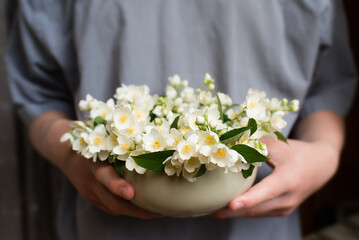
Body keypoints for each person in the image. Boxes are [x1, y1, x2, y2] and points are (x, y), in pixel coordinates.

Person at [5, 0, 357, 239]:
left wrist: (323, 155)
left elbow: (325, 89)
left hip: (260, 228)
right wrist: (68, 150)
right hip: (106, 226)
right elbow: (40, 95)